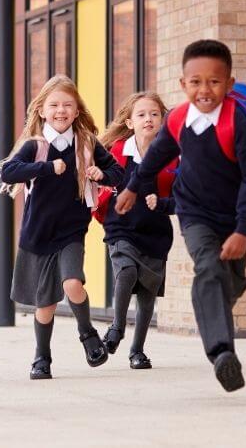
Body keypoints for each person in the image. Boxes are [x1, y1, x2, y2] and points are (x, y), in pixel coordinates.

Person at [115, 39, 246, 392]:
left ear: (229, 84)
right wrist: (133, 186)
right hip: (194, 212)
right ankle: (222, 353)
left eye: (214, 81)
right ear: (183, 84)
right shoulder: (179, 118)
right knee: (209, 269)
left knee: (232, 281)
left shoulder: (237, 122)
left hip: (233, 216)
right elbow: (156, 156)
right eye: (195, 81)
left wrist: (244, 230)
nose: (204, 89)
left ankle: (216, 304)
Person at [0, 75, 124, 380]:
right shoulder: (35, 145)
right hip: (38, 234)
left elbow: (118, 172)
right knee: (46, 304)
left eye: (68, 105)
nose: (61, 110)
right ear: (42, 110)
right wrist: (45, 168)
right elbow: (9, 173)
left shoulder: (88, 144)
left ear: (77, 111)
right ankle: (42, 358)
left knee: (72, 283)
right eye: (54, 105)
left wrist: (100, 174)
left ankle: (87, 334)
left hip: (71, 232)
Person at [95, 91, 178, 370]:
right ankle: (116, 328)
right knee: (127, 271)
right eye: (141, 115)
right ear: (130, 122)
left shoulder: (172, 156)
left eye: (155, 114)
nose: (148, 119)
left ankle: (137, 351)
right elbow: (98, 181)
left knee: (147, 294)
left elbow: (184, 195)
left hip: (155, 230)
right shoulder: (116, 152)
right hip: (121, 225)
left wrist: (165, 204)